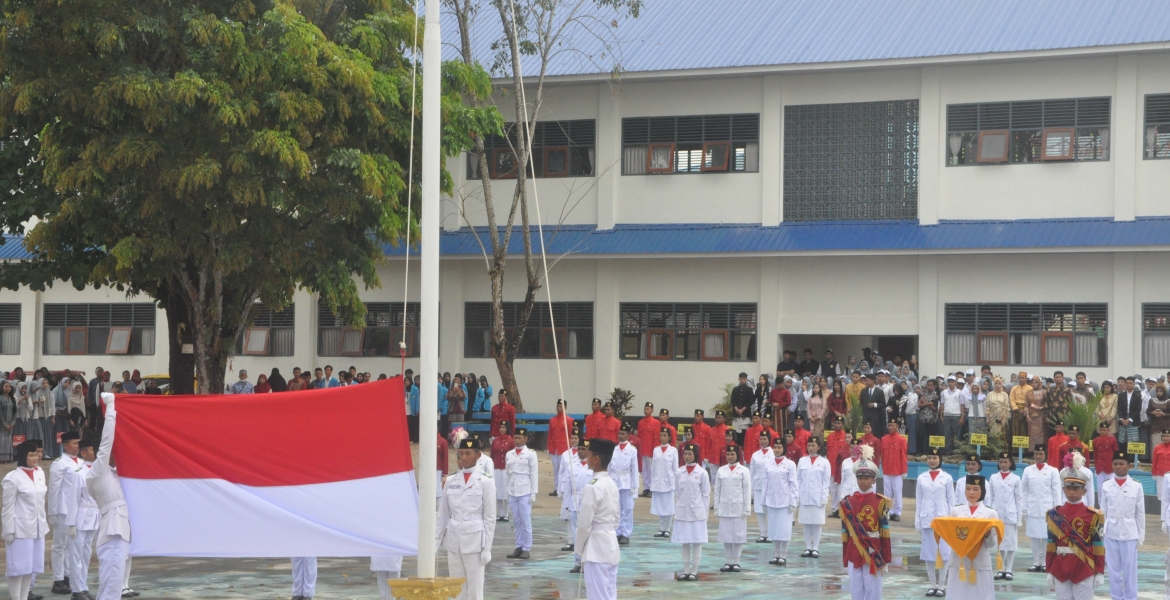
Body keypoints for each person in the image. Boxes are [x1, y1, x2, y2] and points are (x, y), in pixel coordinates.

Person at [437, 437, 497, 600]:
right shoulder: (451, 481)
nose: (463, 457)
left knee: (475, 588)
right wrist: (435, 542)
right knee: (456, 587)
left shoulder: (485, 481)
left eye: (468, 453)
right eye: (461, 453)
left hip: (475, 541)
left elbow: (490, 518)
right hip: (454, 539)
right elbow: (443, 514)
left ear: (478, 455)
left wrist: (487, 548)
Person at [87, 393, 131, 600]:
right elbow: (106, 443)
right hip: (112, 532)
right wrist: (111, 408)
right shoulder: (97, 472)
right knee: (111, 588)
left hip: (120, 531)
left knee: (111, 587)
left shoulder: (116, 473)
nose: (115, 453)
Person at [1045, 464, 1104, 600]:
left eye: (1076, 488)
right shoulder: (1054, 514)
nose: (1072, 492)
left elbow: (1098, 545)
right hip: (1060, 567)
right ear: (1063, 489)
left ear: (1084, 491)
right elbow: (1051, 544)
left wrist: (1100, 571)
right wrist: (1049, 569)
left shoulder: (1093, 515)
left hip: (1084, 567)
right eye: (1068, 488)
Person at [839, 445, 890, 600]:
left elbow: (885, 532)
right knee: (856, 590)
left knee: (873, 590)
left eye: (867, 478)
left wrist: (886, 557)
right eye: (860, 478)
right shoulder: (847, 502)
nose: (863, 481)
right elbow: (845, 533)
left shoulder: (880, 502)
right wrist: (845, 555)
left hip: (873, 549)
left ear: (874, 479)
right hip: (854, 550)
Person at [3, 440, 48, 600]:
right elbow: (7, 507)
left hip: (37, 528)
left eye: (36, 454)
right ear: (23, 456)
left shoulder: (40, 473)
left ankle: (24, 596)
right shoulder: (13, 478)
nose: (35, 458)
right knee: (17, 568)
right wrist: (8, 530)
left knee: (31, 567)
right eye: (31, 455)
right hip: (20, 529)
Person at [576, 438, 620, 600]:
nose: (586, 458)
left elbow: (584, 524)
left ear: (596, 459)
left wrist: (579, 548)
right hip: (610, 543)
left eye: (589, 455)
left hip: (596, 548)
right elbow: (617, 518)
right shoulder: (611, 484)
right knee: (609, 594)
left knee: (597, 596)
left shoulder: (593, 486)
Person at [945, 475, 1000, 600]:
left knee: (980, 594)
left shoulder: (990, 513)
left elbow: (992, 544)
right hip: (959, 561)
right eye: (968, 489)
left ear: (983, 491)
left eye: (976, 489)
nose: (971, 493)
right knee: (958, 593)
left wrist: (987, 534)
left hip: (980, 560)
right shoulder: (956, 511)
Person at [1100, 453, 1143, 600]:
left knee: (1130, 569)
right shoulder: (1106, 485)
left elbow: (1140, 513)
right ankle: (1116, 597)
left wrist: (1140, 536)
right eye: (1115, 464)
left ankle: (1131, 597)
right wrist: (1101, 533)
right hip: (1110, 531)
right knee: (1113, 569)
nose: (1118, 467)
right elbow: (1103, 511)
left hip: (1130, 532)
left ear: (1129, 466)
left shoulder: (1136, 486)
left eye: (1121, 464)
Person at [48, 431, 85, 594]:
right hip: (63, 508)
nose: (77, 446)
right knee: (59, 545)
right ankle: (58, 579)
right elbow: (54, 489)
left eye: (78, 443)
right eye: (74, 443)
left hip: (78, 509)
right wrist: (53, 512)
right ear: (65, 445)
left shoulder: (82, 463)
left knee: (73, 545)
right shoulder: (59, 463)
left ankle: (69, 576)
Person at [915, 448, 953, 596]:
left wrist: (951, 521)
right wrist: (917, 520)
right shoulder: (921, 478)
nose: (932, 460)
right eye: (929, 457)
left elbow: (951, 501)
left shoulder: (947, 478)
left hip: (943, 520)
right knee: (928, 553)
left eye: (935, 458)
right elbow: (919, 500)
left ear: (940, 459)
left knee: (944, 553)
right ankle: (932, 584)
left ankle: (942, 585)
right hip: (926, 519)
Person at [67, 436, 101, 600]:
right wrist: (71, 523)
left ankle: (83, 586)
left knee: (86, 555)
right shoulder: (79, 473)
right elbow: (73, 500)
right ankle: (76, 589)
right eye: (93, 450)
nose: (95, 453)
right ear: (84, 452)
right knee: (76, 555)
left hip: (93, 516)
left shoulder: (98, 470)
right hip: (80, 517)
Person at [672, 443, 710, 581]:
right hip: (682, 512)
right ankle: (686, 570)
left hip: (697, 513)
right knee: (685, 542)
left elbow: (706, 494)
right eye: (685, 454)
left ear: (696, 455)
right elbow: (677, 492)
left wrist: (705, 514)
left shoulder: (702, 473)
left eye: (690, 454)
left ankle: (694, 571)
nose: (687, 456)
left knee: (697, 542)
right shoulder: (679, 472)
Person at [1022, 445, 1062, 573]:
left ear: (1046, 455)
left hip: (1047, 508)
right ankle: (1036, 562)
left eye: (1041, 453)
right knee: (1034, 537)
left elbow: (1056, 491)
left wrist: (1057, 508)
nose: (1038, 456)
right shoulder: (1028, 470)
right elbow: (1024, 491)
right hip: (1032, 507)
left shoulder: (1053, 471)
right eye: (1036, 453)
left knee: (1046, 537)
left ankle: (1045, 563)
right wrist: (1023, 508)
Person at [714, 444, 751, 573]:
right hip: (724, 507)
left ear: (738, 455)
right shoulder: (721, 470)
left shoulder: (744, 470)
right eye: (728, 454)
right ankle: (728, 561)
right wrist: (716, 507)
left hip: (738, 508)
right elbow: (717, 490)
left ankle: (736, 562)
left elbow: (746, 490)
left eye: (732, 454)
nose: (730, 457)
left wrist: (746, 509)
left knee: (738, 536)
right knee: (726, 536)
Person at [763, 436, 798, 565]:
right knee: (774, 529)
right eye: (775, 447)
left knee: (784, 529)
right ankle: (776, 554)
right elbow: (765, 483)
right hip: (771, 500)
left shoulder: (790, 464)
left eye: (779, 447)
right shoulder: (769, 464)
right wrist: (763, 501)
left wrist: (793, 502)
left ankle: (783, 555)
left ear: (784, 448)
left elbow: (793, 485)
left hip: (785, 501)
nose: (777, 450)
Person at [987, 452, 1022, 581]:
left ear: (1010, 463)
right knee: (999, 543)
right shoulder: (993, 478)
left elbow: (1019, 499)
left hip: (1010, 514)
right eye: (1001, 461)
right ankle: (1000, 569)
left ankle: (1009, 569)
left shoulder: (1015, 479)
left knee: (1011, 543)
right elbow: (990, 498)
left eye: (1005, 462)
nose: (1003, 464)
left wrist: (1019, 518)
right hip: (997, 515)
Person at [505, 427, 538, 560]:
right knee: (516, 520)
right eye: (516, 437)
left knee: (525, 520)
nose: (517, 440)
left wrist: (533, 492)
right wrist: (507, 491)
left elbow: (534, 473)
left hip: (525, 490)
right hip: (513, 490)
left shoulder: (530, 454)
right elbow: (507, 474)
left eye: (520, 438)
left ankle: (526, 548)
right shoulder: (510, 454)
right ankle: (518, 546)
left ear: (526, 439)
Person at [561, 439, 593, 572]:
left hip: (588, 501)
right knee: (576, 533)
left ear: (589, 451)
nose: (580, 451)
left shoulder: (593, 466)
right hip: (575, 501)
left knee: (588, 532)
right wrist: (566, 505)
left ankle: (588, 561)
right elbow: (568, 487)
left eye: (583, 449)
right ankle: (578, 561)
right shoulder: (572, 465)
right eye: (579, 449)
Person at [796, 436, 830, 558]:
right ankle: (807, 547)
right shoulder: (802, 461)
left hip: (817, 495)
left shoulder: (824, 462)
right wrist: (797, 496)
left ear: (819, 447)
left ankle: (815, 547)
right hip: (804, 495)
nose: (810, 448)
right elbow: (798, 479)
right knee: (806, 523)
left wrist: (824, 498)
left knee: (816, 523)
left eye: (813, 446)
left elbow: (826, 482)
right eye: (809, 445)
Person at [610, 422, 639, 545]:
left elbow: (635, 469)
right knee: (617, 508)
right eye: (619, 433)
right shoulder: (615, 449)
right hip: (615, 480)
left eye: (623, 433)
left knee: (627, 508)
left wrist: (634, 486)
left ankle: (626, 533)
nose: (620, 435)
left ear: (628, 435)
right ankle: (618, 531)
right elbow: (611, 467)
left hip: (626, 481)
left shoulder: (632, 450)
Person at [650, 427, 678, 538]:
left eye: (665, 435)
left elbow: (675, 468)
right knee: (660, 506)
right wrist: (652, 482)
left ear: (669, 437)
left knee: (669, 506)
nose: (662, 437)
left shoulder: (673, 450)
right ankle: (661, 528)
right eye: (661, 435)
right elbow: (653, 467)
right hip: (658, 482)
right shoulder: (656, 450)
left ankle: (668, 529)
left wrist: (676, 483)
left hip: (668, 482)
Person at [879, 418, 907, 521]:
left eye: (893, 425)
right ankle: (889, 511)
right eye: (889, 425)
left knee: (898, 492)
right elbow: (882, 454)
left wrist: (904, 470)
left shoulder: (901, 440)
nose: (891, 427)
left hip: (897, 470)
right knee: (887, 492)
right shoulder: (884, 439)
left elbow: (903, 455)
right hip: (887, 469)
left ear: (897, 427)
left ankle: (897, 512)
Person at [750, 431, 774, 543]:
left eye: (765, 439)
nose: (762, 441)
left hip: (770, 486)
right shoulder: (755, 454)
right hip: (758, 485)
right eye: (761, 439)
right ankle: (762, 534)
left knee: (769, 510)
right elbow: (752, 471)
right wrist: (751, 488)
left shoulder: (773, 454)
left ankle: (770, 534)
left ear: (769, 440)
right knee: (759, 511)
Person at [548, 400, 574, 496]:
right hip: (554, 447)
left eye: (561, 406)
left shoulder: (569, 420)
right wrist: (549, 447)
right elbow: (550, 434)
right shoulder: (552, 420)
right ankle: (556, 487)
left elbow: (571, 434)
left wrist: (571, 447)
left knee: (564, 468)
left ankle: (563, 487)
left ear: (565, 408)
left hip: (564, 447)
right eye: (558, 406)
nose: (559, 408)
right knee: (556, 469)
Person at [490, 421, 515, 522]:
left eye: (504, 427)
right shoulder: (495, 441)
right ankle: (500, 513)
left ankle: (506, 513)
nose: (502, 429)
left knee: (506, 491)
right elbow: (492, 455)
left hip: (506, 468)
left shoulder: (510, 441)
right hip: (497, 468)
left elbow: (513, 456)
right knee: (498, 491)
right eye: (501, 427)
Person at [636, 403, 658, 497]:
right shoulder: (641, 422)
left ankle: (652, 488)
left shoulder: (656, 423)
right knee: (644, 469)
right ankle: (646, 488)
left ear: (652, 410)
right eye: (645, 409)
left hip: (650, 449)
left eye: (648, 409)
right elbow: (639, 437)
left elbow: (656, 437)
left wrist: (654, 450)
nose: (646, 411)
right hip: (643, 448)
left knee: (651, 469)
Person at [1092, 421, 1118, 495]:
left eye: (1104, 430)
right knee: (1100, 488)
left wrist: (1115, 466)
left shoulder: (1112, 440)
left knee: (1111, 487)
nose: (1102, 431)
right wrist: (1096, 466)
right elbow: (1095, 454)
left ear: (1108, 430)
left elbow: (1115, 452)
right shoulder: (1095, 441)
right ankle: (1101, 505)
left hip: (1109, 467)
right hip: (1100, 467)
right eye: (1101, 430)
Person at [730, 373, 754, 443]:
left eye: (744, 379)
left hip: (745, 414)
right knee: (736, 433)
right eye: (741, 379)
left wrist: (742, 409)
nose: (743, 380)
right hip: (736, 414)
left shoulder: (749, 389)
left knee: (744, 433)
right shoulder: (735, 389)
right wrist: (736, 409)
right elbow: (732, 400)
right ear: (739, 379)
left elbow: (750, 401)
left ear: (746, 379)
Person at [706, 411, 729, 483]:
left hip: (723, 458)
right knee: (714, 478)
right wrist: (707, 457)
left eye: (719, 417)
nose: (717, 419)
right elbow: (708, 444)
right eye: (716, 418)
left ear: (724, 419)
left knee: (724, 477)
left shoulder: (727, 430)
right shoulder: (711, 430)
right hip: (713, 458)